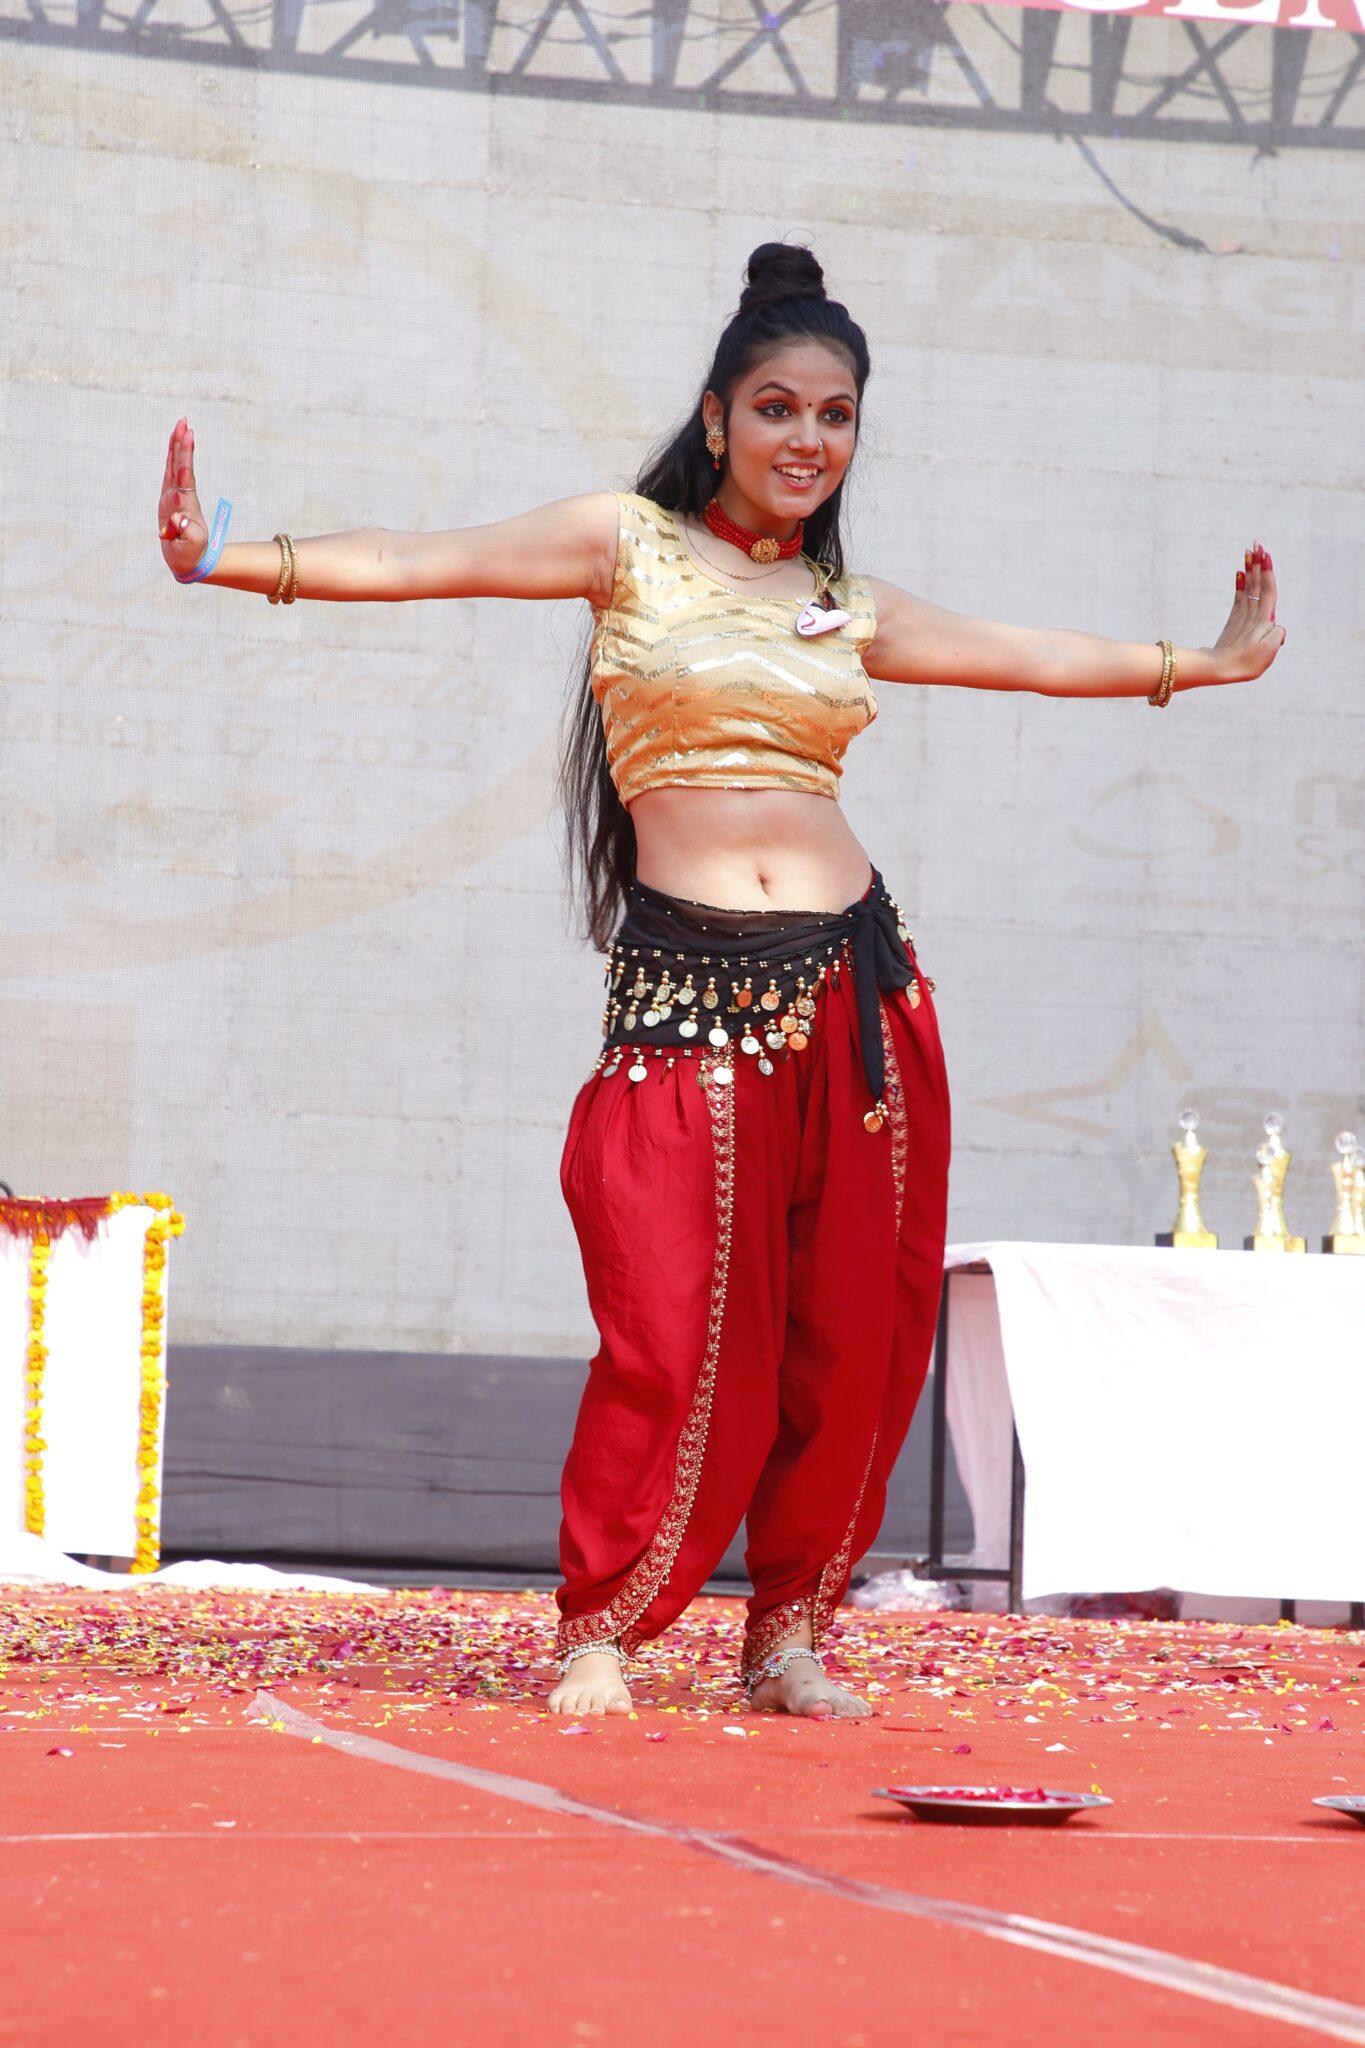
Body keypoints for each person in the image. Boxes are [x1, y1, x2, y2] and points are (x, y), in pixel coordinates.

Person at [158, 242, 1286, 1720]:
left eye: (835, 415)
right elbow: (421, 560)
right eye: (777, 408)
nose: (806, 439)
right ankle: (608, 1628)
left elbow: (1025, 654)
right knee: (670, 1317)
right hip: (691, 991)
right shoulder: (622, 546)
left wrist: (1203, 662)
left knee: (853, 1330)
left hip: (858, 997)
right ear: (717, 418)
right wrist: (226, 556)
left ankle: (790, 1633)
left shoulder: (848, 603)